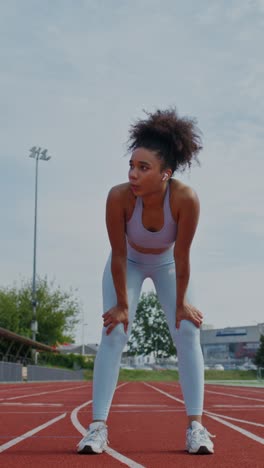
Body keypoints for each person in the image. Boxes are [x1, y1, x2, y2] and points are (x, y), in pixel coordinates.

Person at [77, 108, 215, 455]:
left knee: (187, 330)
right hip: (130, 263)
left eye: (143, 168)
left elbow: (182, 257)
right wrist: (122, 306)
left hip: (169, 264)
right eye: (131, 165)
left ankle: (196, 427)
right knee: (115, 331)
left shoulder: (185, 199)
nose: (133, 174)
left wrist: (182, 304)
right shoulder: (118, 197)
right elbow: (119, 255)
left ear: (165, 173)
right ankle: (97, 427)